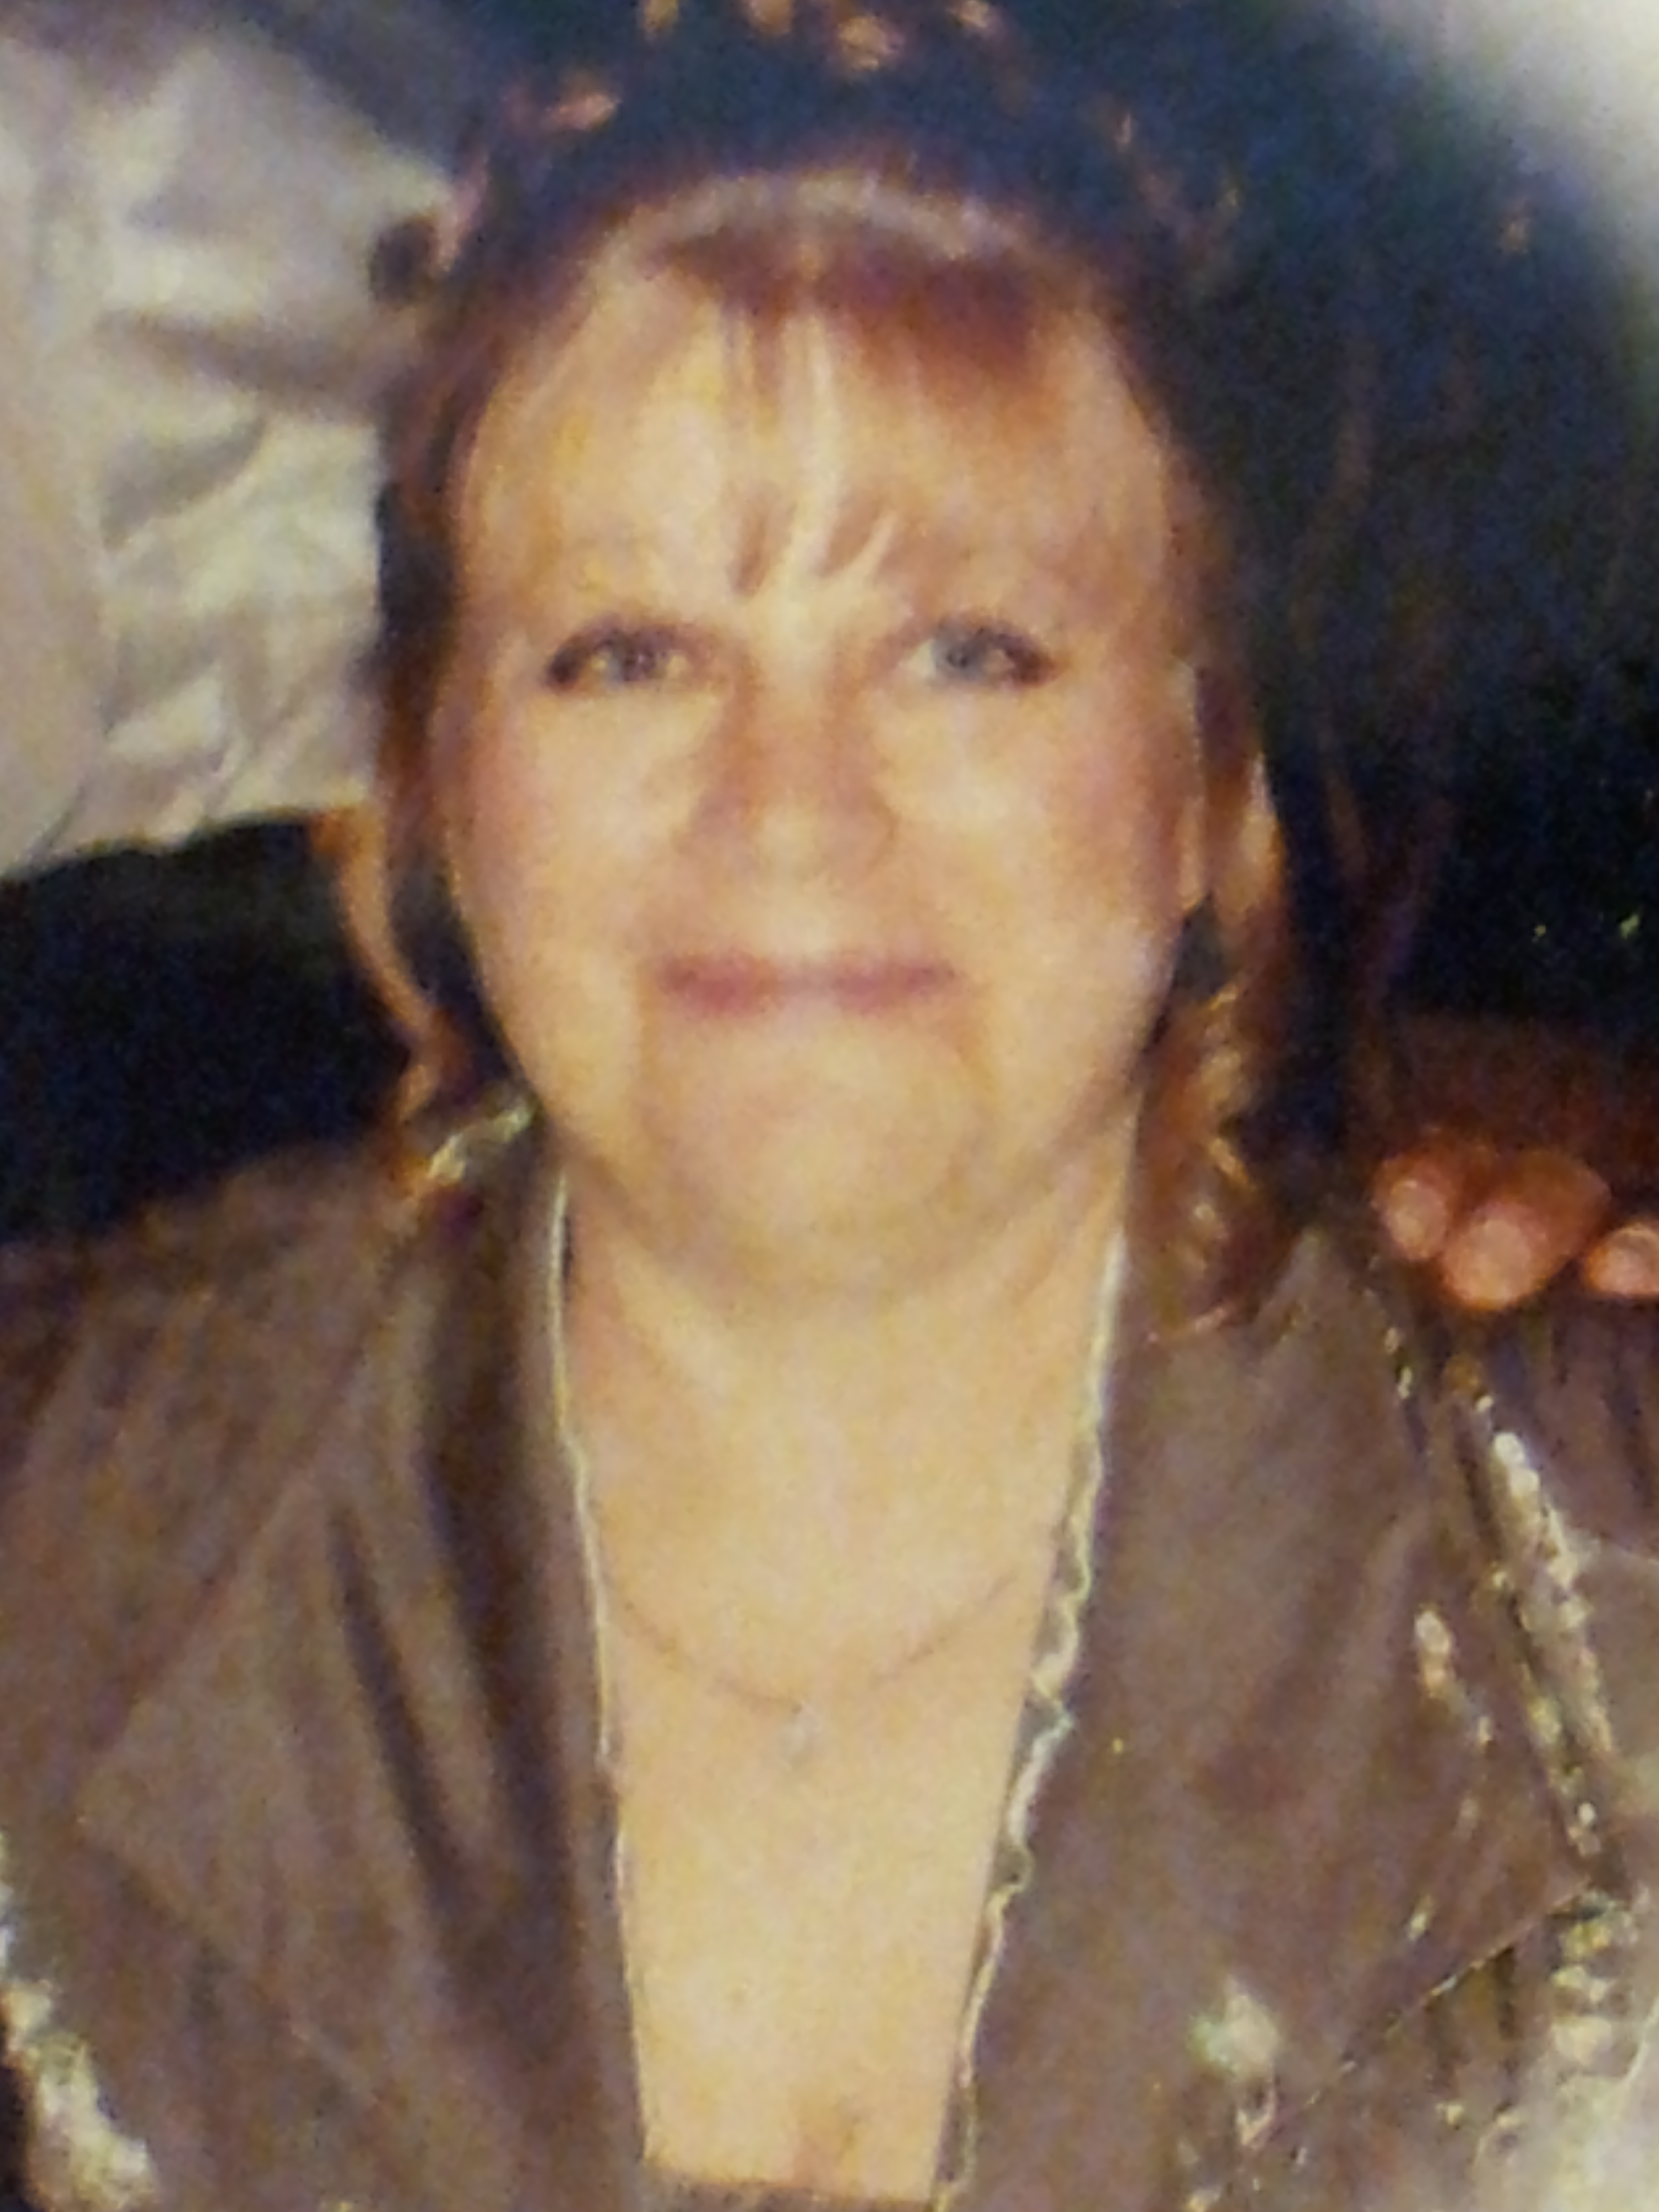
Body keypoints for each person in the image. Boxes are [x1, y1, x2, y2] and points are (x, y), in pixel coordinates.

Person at [2, 4, 1658, 2209]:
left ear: (1206, 790)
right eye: (628, 652)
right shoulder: (61, 1537)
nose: (787, 812)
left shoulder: (1595, 1578)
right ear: (436, 779)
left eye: (966, 651)